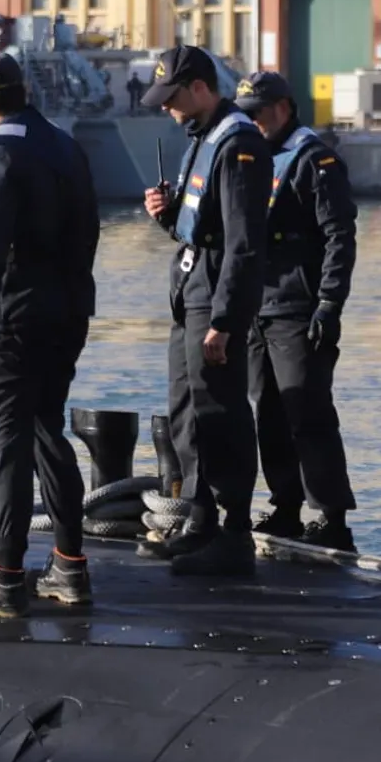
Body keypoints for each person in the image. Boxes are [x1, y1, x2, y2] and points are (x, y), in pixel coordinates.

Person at [0, 52, 101, 618]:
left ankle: (5, 576)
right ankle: (69, 565)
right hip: (68, 315)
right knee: (45, 432)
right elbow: (89, 235)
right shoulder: (65, 147)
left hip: (12, 323)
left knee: (7, 447)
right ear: (26, 92)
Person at [136, 45, 272, 577]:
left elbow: (242, 244)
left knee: (220, 411)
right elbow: (203, 226)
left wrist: (225, 321)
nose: (167, 108)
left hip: (214, 297)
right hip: (191, 291)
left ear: (199, 88)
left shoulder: (238, 143)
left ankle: (233, 529)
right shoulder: (204, 140)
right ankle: (200, 516)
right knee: (187, 410)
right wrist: (167, 216)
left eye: (173, 97)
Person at [235, 72, 360, 552]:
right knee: (267, 409)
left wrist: (330, 303)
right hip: (257, 306)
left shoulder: (316, 160)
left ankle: (330, 516)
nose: (253, 120)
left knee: (307, 412)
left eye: (260, 111)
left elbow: (339, 237)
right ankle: (285, 506)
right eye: (246, 112)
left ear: (284, 107)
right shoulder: (252, 154)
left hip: (299, 307)